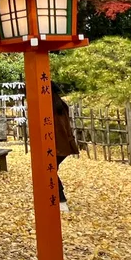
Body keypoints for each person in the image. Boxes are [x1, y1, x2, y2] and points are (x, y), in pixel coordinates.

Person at [52, 82, 79, 213]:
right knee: (51, 172)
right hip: (63, 145)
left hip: (56, 146)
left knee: (49, 172)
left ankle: (61, 201)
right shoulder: (60, 105)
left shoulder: (51, 106)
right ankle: (57, 200)